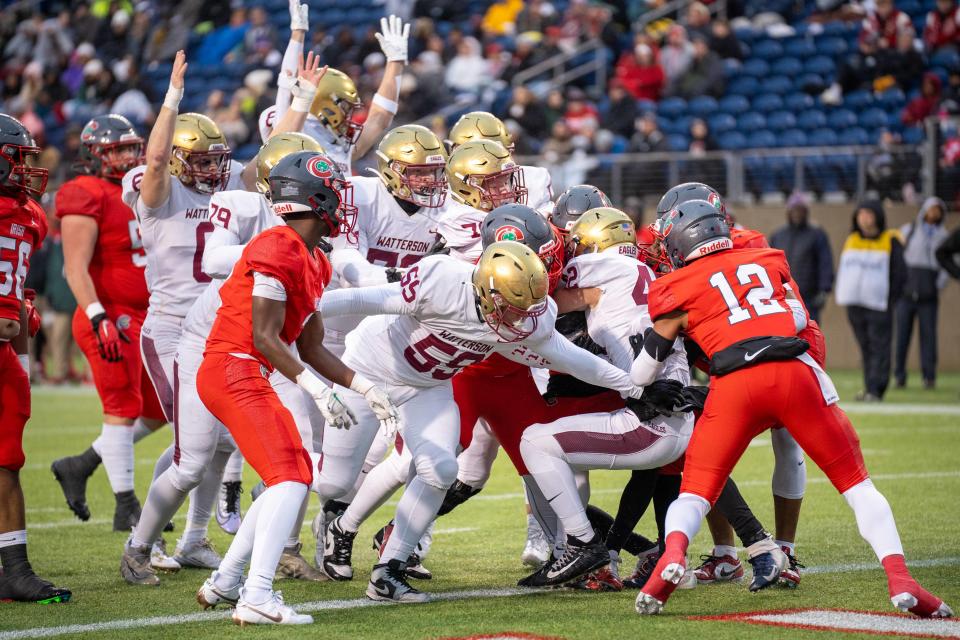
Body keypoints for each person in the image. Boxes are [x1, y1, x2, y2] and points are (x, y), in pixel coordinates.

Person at [631, 199, 952, 620]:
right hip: (794, 370)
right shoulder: (765, 257)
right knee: (858, 486)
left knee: (694, 491)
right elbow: (798, 315)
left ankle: (671, 560)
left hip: (734, 383)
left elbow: (641, 374)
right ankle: (901, 579)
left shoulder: (675, 286)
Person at [316, 241, 643, 603]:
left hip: (428, 386)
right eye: (512, 307)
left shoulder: (530, 316)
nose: (520, 319)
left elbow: (574, 358)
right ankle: (290, 490)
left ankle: (387, 572)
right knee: (334, 483)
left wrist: (635, 387)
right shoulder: (441, 281)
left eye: (527, 308)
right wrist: (290, 317)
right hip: (368, 370)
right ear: (487, 291)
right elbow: (359, 300)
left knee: (440, 469)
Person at [195, 151, 400, 625]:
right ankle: (257, 595)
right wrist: (317, 392)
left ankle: (226, 582)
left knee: (290, 474)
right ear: (315, 197)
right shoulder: (277, 244)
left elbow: (311, 348)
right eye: (335, 195)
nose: (342, 206)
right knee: (291, 477)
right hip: (234, 365)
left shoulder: (315, 260)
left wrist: (366, 388)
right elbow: (266, 336)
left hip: (248, 369)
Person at [518, 207, 694, 588]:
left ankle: (582, 546)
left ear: (595, 243)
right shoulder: (643, 271)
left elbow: (535, 292)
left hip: (650, 423)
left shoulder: (600, 268)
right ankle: (628, 552)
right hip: (674, 412)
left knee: (533, 441)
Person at [51, 114, 170, 535]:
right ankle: (126, 505)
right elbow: (74, 268)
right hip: (108, 316)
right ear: (94, 154)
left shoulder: (141, 188)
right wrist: (97, 314)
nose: (126, 157)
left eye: (131, 148)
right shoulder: (84, 193)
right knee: (121, 409)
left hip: (148, 317)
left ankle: (80, 465)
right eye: (116, 149)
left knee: (160, 410)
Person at [0, 113, 71, 603]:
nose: (27, 169)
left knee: (7, 461)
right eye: (17, 159)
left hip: (5, 352)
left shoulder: (30, 215)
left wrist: (22, 364)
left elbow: (20, 296)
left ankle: (15, 569)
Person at [259, 7, 410, 176]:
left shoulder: (339, 142)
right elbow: (285, 89)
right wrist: (298, 34)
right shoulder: (294, 133)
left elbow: (380, 117)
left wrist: (395, 63)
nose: (348, 115)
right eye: (345, 107)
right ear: (324, 104)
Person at [835, 200, 907, 401]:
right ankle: (869, 387)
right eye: (861, 214)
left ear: (877, 216)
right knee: (865, 347)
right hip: (855, 304)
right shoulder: (852, 239)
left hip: (879, 305)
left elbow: (900, 274)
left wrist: (890, 299)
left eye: (868, 214)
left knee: (880, 347)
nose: (864, 218)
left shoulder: (890, 240)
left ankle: (878, 389)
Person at [894, 197, 950, 389]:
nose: (934, 214)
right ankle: (899, 375)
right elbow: (897, 257)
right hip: (906, 294)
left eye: (938, 210)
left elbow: (946, 263)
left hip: (928, 296)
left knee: (928, 338)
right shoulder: (908, 230)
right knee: (902, 337)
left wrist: (937, 285)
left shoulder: (943, 235)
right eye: (931, 209)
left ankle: (929, 376)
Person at [769, 193, 834, 322]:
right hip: (784, 297)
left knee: (810, 336)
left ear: (806, 212)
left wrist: (824, 289)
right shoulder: (778, 235)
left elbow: (825, 263)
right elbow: (770, 263)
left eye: (801, 210)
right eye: (794, 210)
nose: (797, 214)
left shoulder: (817, 234)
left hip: (809, 298)